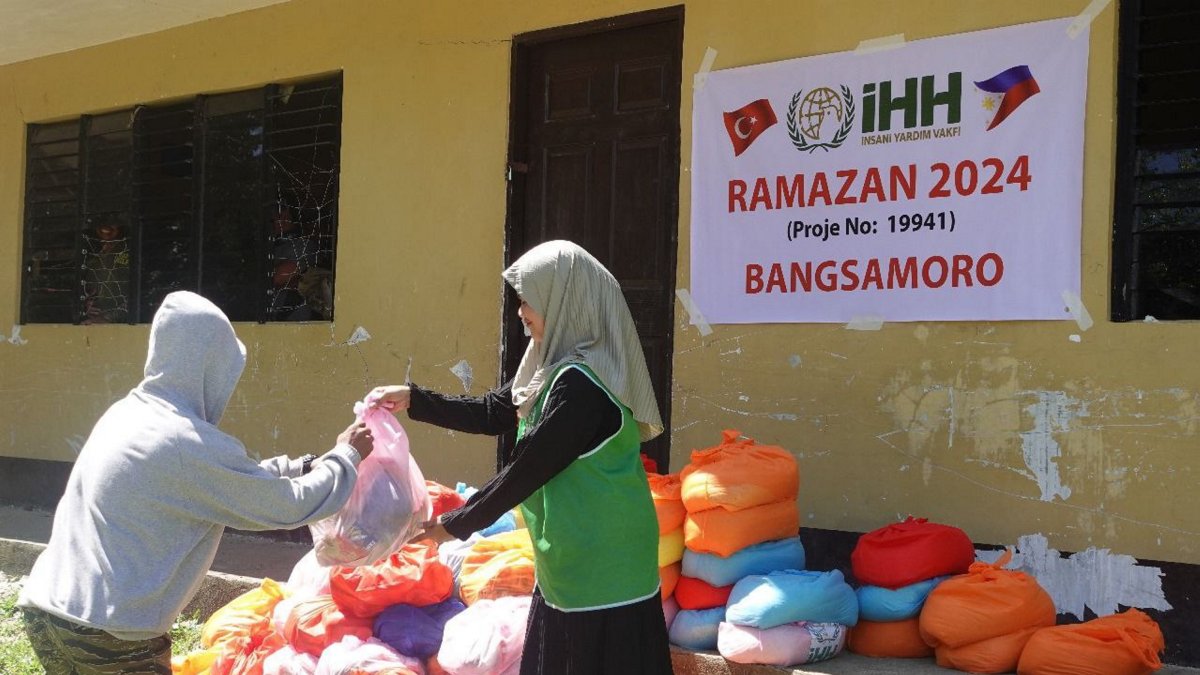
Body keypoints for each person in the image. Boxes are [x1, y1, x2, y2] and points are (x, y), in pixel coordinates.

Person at [19, 290, 373, 674]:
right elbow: (286, 507)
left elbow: (227, 481)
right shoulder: (182, 441)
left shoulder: (131, 413)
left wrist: (306, 465)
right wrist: (347, 456)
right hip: (104, 631)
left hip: (52, 607)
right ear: (208, 364)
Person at [369, 240, 672, 675]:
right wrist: (414, 400)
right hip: (570, 555)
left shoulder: (582, 387)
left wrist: (450, 527)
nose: (520, 312)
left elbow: (525, 471)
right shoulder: (550, 367)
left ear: (564, 301)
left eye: (528, 300)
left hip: (604, 563)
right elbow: (498, 412)